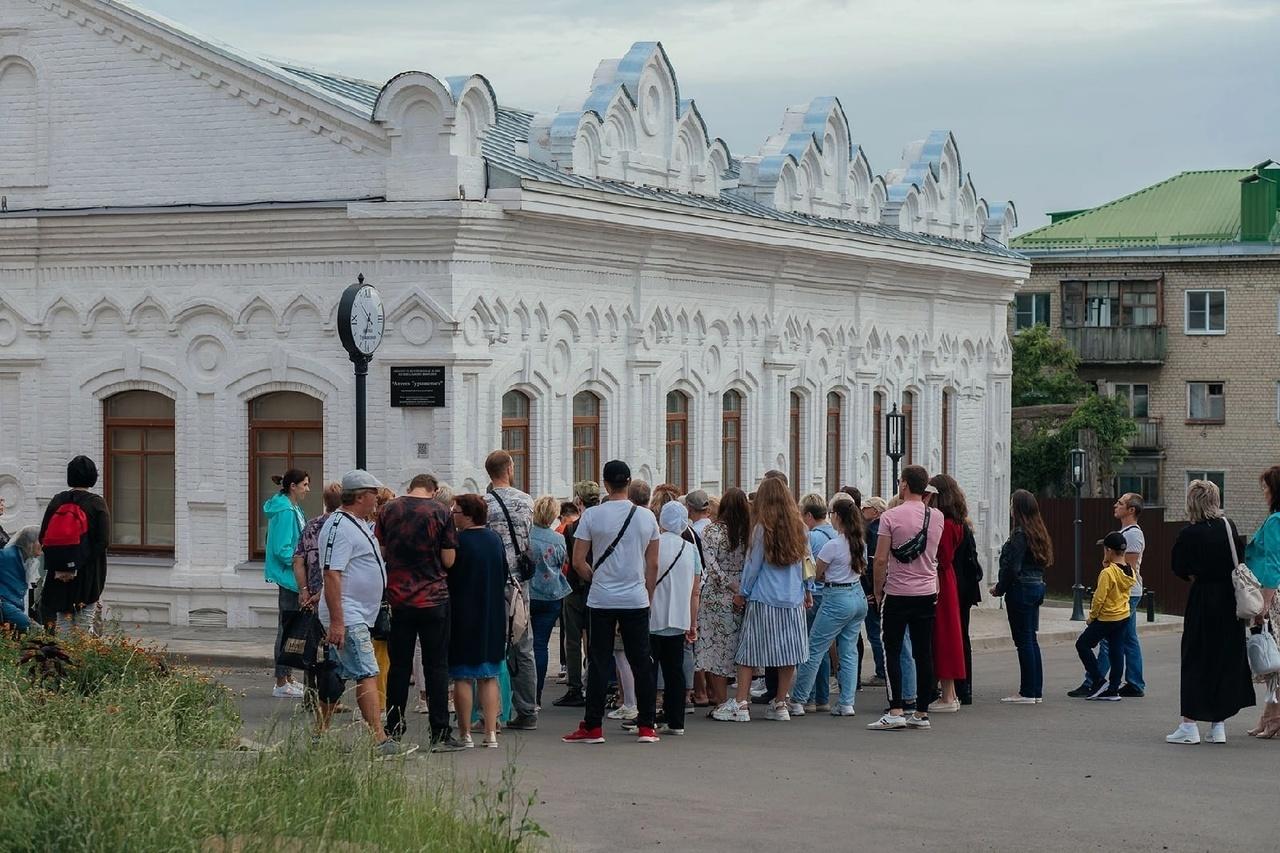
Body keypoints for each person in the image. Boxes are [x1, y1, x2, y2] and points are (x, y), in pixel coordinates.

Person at [315, 470, 417, 758]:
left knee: (335, 673)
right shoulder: (339, 526)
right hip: (347, 614)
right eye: (374, 493)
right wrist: (338, 621)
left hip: (356, 613)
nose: (377, 499)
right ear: (360, 496)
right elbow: (332, 573)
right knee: (367, 671)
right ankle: (379, 737)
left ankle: (320, 734)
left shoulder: (357, 523)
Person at [563, 460, 661, 744]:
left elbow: (578, 561)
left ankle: (593, 726)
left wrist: (596, 578)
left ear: (605, 484)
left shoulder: (592, 516)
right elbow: (652, 564)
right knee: (641, 660)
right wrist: (648, 594)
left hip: (602, 598)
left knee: (599, 660)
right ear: (628, 483)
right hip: (636, 598)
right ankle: (647, 725)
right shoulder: (646, 518)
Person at [376, 474, 462, 752]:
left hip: (399, 599)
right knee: (436, 666)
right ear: (434, 490)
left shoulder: (389, 509)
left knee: (399, 667)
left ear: (410, 486)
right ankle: (439, 733)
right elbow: (449, 559)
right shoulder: (440, 511)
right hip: (433, 598)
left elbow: (383, 550)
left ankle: (394, 728)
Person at [713, 475, 809, 723]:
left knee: (749, 651)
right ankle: (780, 703)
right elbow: (805, 564)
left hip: (764, 597)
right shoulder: (800, 528)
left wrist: (742, 593)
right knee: (789, 653)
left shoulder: (760, 530)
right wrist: (807, 590)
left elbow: (752, 567)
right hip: (792, 598)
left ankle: (742, 704)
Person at [1167, 479, 1256, 744]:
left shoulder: (1189, 534)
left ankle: (1189, 724)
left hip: (1203, 598)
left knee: (1196, 657)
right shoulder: (1228, 527)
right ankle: (1218, 725)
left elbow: (1179, 567)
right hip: (1230, 600)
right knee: (1224, 659)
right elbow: (1240, 558)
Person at [868, 465, 943, 731]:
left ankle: (896, 708)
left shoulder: (890, 516)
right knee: (924, 652)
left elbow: (879, 559)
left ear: (904, 485)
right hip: (926, 591)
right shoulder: (936, 517)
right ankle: (922, 712)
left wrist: (878, 590)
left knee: (893, 650)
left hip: (898, 592)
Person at [788, 496, 868, 718]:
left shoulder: (832, 545)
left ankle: (798, 700)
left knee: (814, 648)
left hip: (836, 596)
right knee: (848, 650)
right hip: (857, 594)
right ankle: (846, 702)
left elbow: (817, 573)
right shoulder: (859, 542)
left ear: (838, 517)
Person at [448, 493, 509, 748]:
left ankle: (465, 734)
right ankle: (491, 733)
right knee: (489, 674)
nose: (453, 516)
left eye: (456, 512)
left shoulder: (459, 542)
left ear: (469, 515)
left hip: (463, 613)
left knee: (462, 676)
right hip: (492, 613)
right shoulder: (495, 540)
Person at [483, 450, 538, 731]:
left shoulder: (484, 504)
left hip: (491, 582)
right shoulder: (526, 501)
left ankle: (490, 713)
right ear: (510, 468)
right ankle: (527, 710)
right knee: (522, 645)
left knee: (490, 645)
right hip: (520, 584)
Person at [645, 501, 701, 736]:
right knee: (674, 671)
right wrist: (692, 622)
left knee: (648, 669)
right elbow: (695, 590)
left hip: (651, 616)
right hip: (679, 617)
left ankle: (646, 719)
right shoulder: (691, 550)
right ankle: (676, 720)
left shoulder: (652, 545)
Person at [990, 489, 1049, 704]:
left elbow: (1012, 567)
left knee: (1023, 640)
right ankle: (1035, 690)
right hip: (1036, 586)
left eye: (1012, 504)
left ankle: (1027, 691)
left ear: (1018, 508)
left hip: (1021, 589)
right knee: (1031, 639)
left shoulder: (1019, 534)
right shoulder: (1037, 531)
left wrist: (1000, 588)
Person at [39, 455, 110, 634]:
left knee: (63, 624)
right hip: (88, 576)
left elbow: (43, 537)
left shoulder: (57, 500)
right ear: (93, 476)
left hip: (58, 575)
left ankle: (64, 658)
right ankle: (79, 660)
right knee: (84, 625)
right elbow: (103, 541)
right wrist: (79, 564)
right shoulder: (96, 503)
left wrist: (63, 565)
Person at [696, 488, 750, 710]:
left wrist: (729, 585)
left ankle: (719, 700)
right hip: (744, 592)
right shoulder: (749, 532)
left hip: (717, 595)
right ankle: (740, 698)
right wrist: (742, 589)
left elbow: (711, 565)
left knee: (715, 647)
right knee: (740, 647)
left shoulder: (711, 531)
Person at [292, 481, 342, 709]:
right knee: (331, 649)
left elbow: (298, 560)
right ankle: (330, 699)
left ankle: (309, 696)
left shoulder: (310, 526)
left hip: (310, 596)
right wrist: (322, 593)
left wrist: (304, 591)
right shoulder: (340, 527)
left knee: (310, 647)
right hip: (331, 596)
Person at [1072, 532, 1136, 702]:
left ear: (1108, 550)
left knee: (1082, 645)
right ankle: (1113, 689)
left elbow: (1099, 598)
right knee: (1116, 651)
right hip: (1123, 615)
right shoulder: (1130, 571)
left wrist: (1092, 617)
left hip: (1107, 617)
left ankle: (1098, 681)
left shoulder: (1108, 573)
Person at [1094, 493, 1147, 698]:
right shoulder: (1125, 532)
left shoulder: (1133, 534)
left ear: (1131, 510)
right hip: (1127, 592)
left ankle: (1095, 680)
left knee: (1110, 637)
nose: (1116, 505)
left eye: (1121, 503)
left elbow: (1128, 568)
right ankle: (1134, 682)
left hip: (1127, 593)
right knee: (1128, 638)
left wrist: (1108, 566)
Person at [553, 480, 600, 708]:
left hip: (574, 587)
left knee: (572, 639)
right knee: (596, 638)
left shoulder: (572, 528)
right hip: (598, 588)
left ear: (578, 501)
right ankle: (595, 681)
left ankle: (575, 687)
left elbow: (571, 560)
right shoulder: (603, 523)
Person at [264, 469, 309, 699]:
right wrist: (302, 560)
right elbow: (283, 549)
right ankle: (281, 681)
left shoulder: (292, 508)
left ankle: (288, 678)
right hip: (290, 576)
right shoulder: (285, 510)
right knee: (287, 629)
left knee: (293, 629)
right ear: (293, 486)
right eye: (304, 485)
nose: (307, 489)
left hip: (293, 575)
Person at [926, 474, 968, 713]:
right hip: (947, 577)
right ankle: (949, 692)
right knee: (948, 634)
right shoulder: (957, 521)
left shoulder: (945, 524)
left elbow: (940, 554)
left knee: (943, 635)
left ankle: (948, 695)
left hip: (939, 576)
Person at [1244, 466, 1280, 738]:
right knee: (1273, 659)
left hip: (1273, 594)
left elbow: (1272, 564)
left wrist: (1264, 605)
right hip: (1273, 590)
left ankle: (1274, 717)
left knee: (1273, 658)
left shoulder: (1276, 521)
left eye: (1266, 487)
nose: (1264, 493)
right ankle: (1269, 715)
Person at [529, 494, 570, 707]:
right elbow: (561, 562)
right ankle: (537, 694)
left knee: (521, 645)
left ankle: (523, 691)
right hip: (552, 594)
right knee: (541, 644)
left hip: (529, 593)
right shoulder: (558, 538)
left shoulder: (526, 535)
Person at [798, 492, 835, 712]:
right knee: (823, 647)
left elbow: (808, 567)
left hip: (816, 594)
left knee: (810, 647)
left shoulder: (813, 537)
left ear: (809, 515)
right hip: (831, 594)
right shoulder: (836, 534)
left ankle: (808, 696)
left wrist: (807, 588)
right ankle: (822, 696)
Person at [858, 496, 889, 687]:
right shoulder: (879, 528)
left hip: (873, 587)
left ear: (875, 511)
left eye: (866, 508)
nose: (863, 511)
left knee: (875, 631)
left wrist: (871, 589)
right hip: (881, 586)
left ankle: (881, 671)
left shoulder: (873, 530)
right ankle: (883, 670)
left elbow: (874, 562)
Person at [0, 527, 39, 632]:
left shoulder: (28, 560)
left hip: (13, 605)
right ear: (30, 543)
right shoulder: (7, 556)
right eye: (40, 541)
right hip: (4, 604)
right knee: (36, 631)